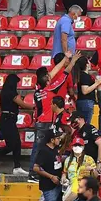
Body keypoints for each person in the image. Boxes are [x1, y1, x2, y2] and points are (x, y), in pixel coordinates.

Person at [29, 53, 76, 183]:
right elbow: (63, 75)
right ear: (47, 81)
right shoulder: (50, 90)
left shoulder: (38, 91)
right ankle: (33, 173)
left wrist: (64, 59)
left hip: (40, 123)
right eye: (48, 77)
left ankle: (35, 173)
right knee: (41, 149)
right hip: (47, 123)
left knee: (38, 148)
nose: (50, 76)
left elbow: (53, 72)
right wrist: (71, 62)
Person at [0, 74, 35, 174]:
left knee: (17, 143)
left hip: (8, 119)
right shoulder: (11, 93)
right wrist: (35, 107)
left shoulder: (4, 92)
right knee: (12, 145)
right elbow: (22, 104)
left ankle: (17, 167)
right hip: (7, 120)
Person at [63, 137, 98, 201]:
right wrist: (63, 178)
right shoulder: (68, 160)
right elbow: (64, 172)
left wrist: (92, 170)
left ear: (83, 147)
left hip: (85, 191)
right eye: (75, 145)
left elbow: (95, 176)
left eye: (79, 145)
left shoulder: (89, 159)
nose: (77, 147)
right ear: (72, 147)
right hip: (73, 192)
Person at [34, 130, 64, 201]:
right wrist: (51, 177)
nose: (59, 140)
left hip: (58, 184)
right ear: (52, 140)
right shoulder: (44, 151)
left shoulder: (55, 149)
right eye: (57, 138)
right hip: (49, 186)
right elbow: (36, 167)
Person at [73, 57, 101, 124]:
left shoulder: (83, 75)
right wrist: (96, 83)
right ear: (86, 64)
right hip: (86, 103)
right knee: (85, 124)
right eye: (89, 62)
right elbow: (85, 91)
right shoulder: (84, 76)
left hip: (84, 102)